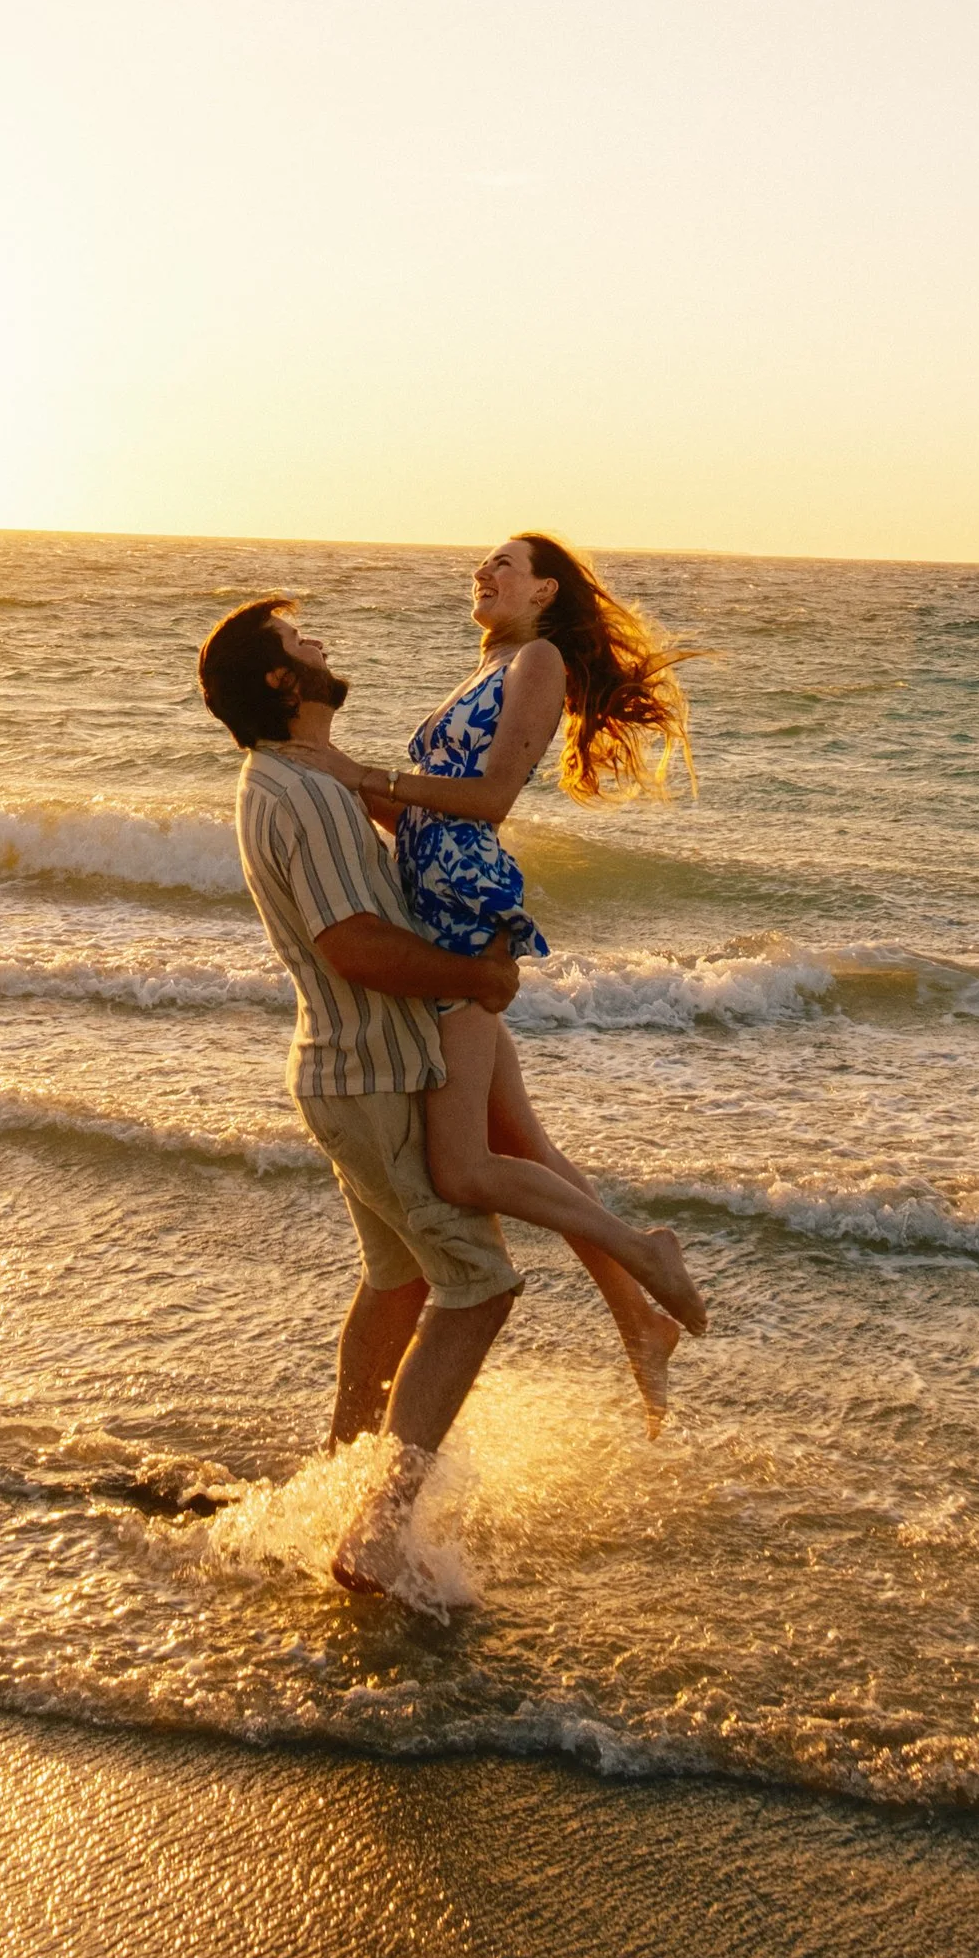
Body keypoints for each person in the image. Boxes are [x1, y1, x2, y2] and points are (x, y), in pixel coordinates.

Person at [311, 535, 707, 1429]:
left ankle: (643, 1253)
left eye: (504, 565)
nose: (483, 573)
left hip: (460, 912)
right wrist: (335, 787)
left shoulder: (539, 660)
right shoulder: (488, 664)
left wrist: (362, 774)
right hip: (435, 900)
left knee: (461, 1168)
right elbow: (420, 808)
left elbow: (490, 802)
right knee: (522, 1148)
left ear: (545, 591)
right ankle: (637, 1318)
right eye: (481, 565)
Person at [198, 593, 526, 1595]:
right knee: (480, 1283)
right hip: (370, 1075)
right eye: (302, 641)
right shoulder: (295, 793)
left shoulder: (297, 781)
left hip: (351, 1071)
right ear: (279, 682)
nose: (321, 645)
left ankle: (336, 1482)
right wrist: (474, 978)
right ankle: (375, 1534)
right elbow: (349, 943)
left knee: (398, 1280)